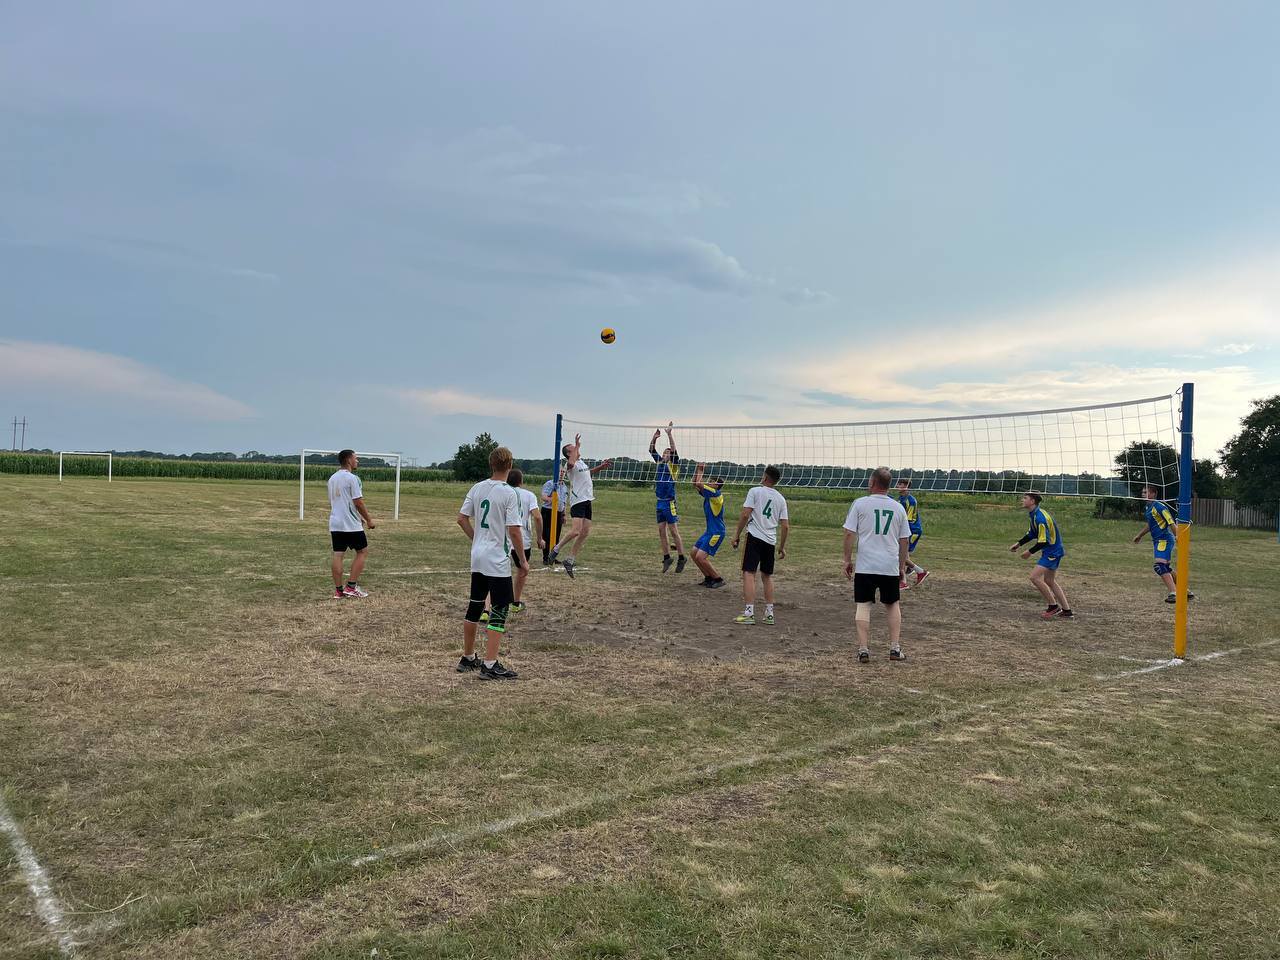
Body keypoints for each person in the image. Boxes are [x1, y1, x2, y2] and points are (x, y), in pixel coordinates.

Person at [456, 446, 526, 680]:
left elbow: (461, 519)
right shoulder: (510, 493)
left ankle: (468, 657)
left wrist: (476, 538)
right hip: (497, 559)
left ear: (491, 464)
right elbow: (514, 531)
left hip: (478, 556)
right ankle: (490, 664)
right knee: (499, 609)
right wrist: (522, 561)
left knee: (475, 605)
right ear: (510, 465)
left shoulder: (477, 488)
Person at [844, 467, 911, 662]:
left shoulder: (860, 504)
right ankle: (895, 648)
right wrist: (901, 567)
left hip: (866, 565)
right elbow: (904, 540)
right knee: (892, 604)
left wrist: (847, 560)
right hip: (889, 565)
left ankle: (863, 650)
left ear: (873, 482)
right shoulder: (898, 508)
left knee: (863, 605)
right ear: (889, 486)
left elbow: (849, 533)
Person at [547, 433, 613, 579]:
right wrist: (576, 446)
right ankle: (556, 549)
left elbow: (588, 474)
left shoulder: (581, 463)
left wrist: (602, 467)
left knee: (585, 532)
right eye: (573, 449)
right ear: (569, 454)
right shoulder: (569, 465)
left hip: (587, 500)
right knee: (575, 531)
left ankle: (569, 560)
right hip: (578, 501)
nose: (577, 450)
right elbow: (571, 464)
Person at [731, 465, 789, 625]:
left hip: (754, 537)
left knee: (749, 573)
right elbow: (785, 526)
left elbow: (745, 514)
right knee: (767, 576)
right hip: (770, 541)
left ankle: (749, 613)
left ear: (765, 477)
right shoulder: (781, 499)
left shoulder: (755, 491)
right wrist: (782, 547)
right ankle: (769, 614)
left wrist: (736, 535)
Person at [1010, 491, 1073, 620]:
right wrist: (1019, 544)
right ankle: (1067, 611)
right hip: (1052, 550)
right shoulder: (1035, 514)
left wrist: (1029, 552)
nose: (1022, 500)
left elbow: (1044, 541)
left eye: (1025, 498)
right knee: (1049, 581)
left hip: (1052, 552)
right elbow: (1032, 534)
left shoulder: (1040, 518)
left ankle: (1053, 606)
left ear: (1032, 501)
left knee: (1034, 577)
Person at [1134, 484, 1196, 604]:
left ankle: (1174, 593)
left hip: (1165, 539)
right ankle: (1186, 591)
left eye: (1146, 492)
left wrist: (1177, 536)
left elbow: (1170, 522)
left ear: (1153, 494)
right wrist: (1140, 535)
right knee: (1165, 568)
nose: (1143, 494)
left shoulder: (1160, 507)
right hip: (1158, 540)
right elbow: (1151, 524)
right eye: (1142, 492)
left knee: (1159, 566)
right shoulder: (1148, 507)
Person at [327, 449, 375, 599]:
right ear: (349, 460)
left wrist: (358, 516)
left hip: (336, 523)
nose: (357, 461)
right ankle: (351, 587)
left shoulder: (332, 478)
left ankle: (338, 591)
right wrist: (368, 519)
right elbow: (358, 502)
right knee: (362, 552)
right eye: (356, 458)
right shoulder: (352, 478)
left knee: (338, 554)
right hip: (350, 524)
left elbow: (338, 502)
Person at [650, 421, 687, 573]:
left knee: (673, 531)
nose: (665, 454)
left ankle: (682, 557)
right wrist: (654, 438)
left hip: (669, 502)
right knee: (661, 531)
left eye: (668, 453)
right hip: (660, 502)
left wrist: (669, 434)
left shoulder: (673, 466)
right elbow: (651, 449)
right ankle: (667, 558)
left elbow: (674, 450)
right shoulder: (659, 463)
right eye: (664, 452)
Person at [507, 469, 544, 613]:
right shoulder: (529, 495)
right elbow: (537, 517)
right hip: (522, 539)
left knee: (496, 572)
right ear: (521, 481)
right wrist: (539, 538)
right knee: (522, 570)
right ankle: (515, 602)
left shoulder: (502, 493)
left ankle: (489, 607)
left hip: (502, 538)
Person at [691, 463, 727, 588]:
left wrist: (701, 469)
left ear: (717, 485)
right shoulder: (709, 494)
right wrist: (697, 469)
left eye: (711, 481)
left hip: (717, 532)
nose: (708, 482)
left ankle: (718, 579)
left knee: (701, 557)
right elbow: (695, 483)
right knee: (694, 553)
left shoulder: (715, 494)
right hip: (709, 531)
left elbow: (699, 483)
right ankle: (708, 578)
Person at [895, 477, 929, 588]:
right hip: (905, 530)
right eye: (898, 484)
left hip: (912, 530)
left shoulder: (910, 501)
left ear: (906, 487)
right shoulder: (900, 499)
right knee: (903, 555)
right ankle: (905, 579)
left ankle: (919, 572)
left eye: (900, 484)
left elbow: (907, 519)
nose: (897, 486)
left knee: (900, 555)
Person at [539, 473, 567, 564]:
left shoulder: (564, 487)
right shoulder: (550, 484)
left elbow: (564, 502)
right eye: (560, 471)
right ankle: (545, 558)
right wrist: (552, 499)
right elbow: (543, 496)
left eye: (563, 471)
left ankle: (552, 557)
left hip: (559, 512)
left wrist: (564, 514)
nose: (562, 473)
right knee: (547, 535)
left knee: (556, 535)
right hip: (548, 511)